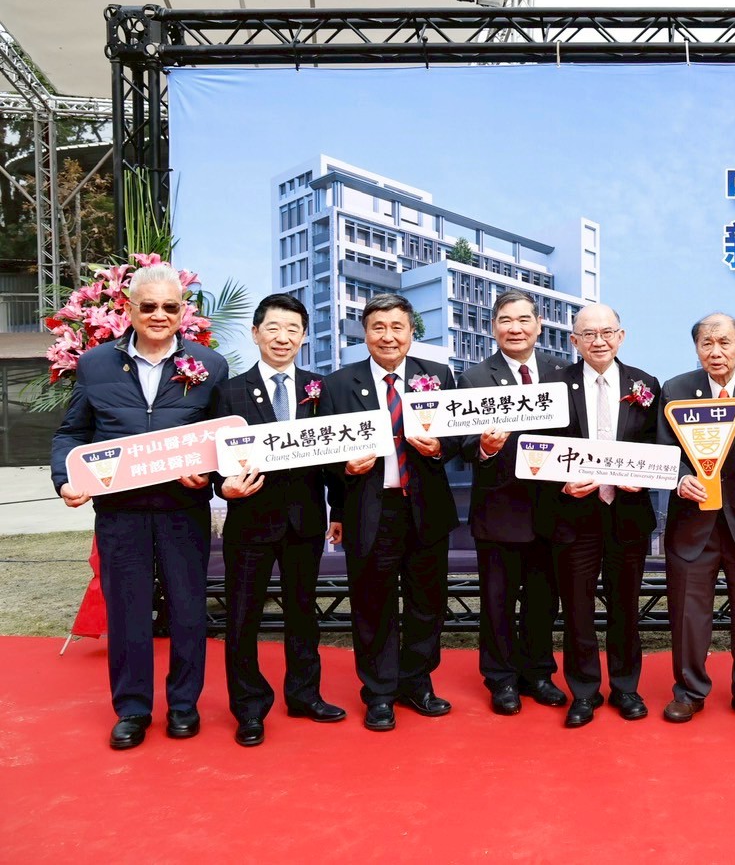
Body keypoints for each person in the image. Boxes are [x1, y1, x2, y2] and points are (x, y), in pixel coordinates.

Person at [51, 262, 228, 750]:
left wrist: (211, 474)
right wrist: (66, 479)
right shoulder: (95, 364)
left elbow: (222, 438)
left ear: (183, 311)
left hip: (182, 509)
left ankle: (184, 706)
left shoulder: (210, 365)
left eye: (170, 306)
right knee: (128, 612)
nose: (159, 315)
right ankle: (132, 709)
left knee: (188, 610)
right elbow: (72, 432)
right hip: (119, 512)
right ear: (129, 310)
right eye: (148, 306)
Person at [211, 294, 346, 747]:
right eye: (273, 328)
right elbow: (213, 458)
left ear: (304, 337)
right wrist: (223, 487)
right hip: (250, 522)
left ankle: (305, 695)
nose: (282, 337)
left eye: (292, 329)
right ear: (255, 333)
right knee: (243, 617)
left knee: (304, 614)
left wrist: (338, 511)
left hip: (305, 522)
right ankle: (249, 708)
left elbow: (334, 458)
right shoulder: (228, 392)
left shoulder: (319, 389)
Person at [320, 292, 459, 731]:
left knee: (427, 602)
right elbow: (325, 454)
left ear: (411, 332)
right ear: (364, 333)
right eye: (378, 327)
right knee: (372, 603)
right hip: (369, 510)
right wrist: (344, 471)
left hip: (425, 509)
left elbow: (458, 435)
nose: (388, 336)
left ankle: (416, 682)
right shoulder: (338, 384)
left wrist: (439, 448)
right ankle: (379, 691)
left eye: (397, 327)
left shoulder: (437, 376)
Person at [656, 313, 735, 726]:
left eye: (724, 342)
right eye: (707, 343)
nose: (716, 351)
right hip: (692, 521)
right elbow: (664, 450)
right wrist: (681, 480)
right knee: (688, 614)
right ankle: (689, 692)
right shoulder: (675, 389)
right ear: (696, 348)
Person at [545, 303, 661, 727]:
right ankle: (584, 692)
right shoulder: (555, 385)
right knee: (576, 609)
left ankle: (626, 687)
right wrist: (560, 484)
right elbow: (536, 448)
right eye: (588, 334)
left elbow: (659, 445)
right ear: (574, 341)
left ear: (621, 336)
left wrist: (644, 478)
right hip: (573, 515)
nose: (599, 341)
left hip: (627, 515)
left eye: (607, 332)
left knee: (625, 607)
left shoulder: (646, 384)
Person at [459, 291, 567, 716]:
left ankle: (538, 673)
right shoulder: (473, 378)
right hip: (499, 510)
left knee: (543, 600)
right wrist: (484, 447)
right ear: (493, 328)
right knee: (498, 601)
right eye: (506, 320)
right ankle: (501, 678)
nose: (515, 328)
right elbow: (461, 443)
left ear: (539, 326)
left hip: (553, 509)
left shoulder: (562, 373)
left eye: (524, 320)